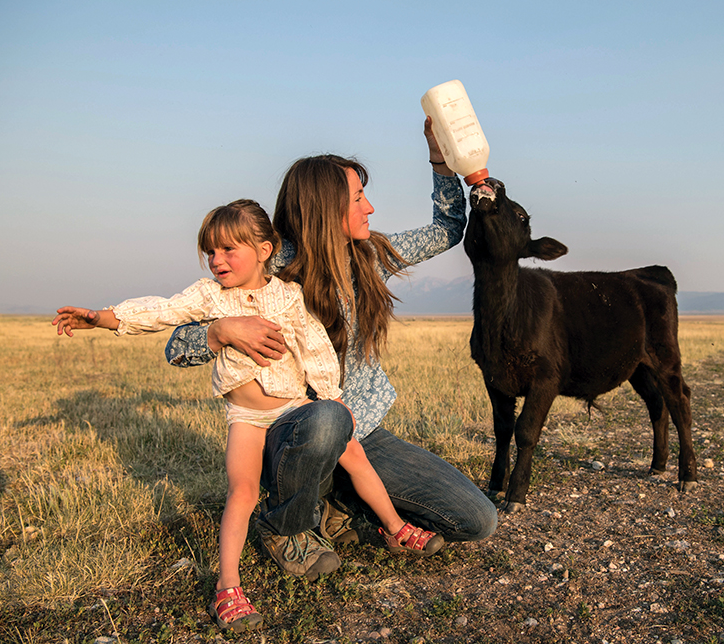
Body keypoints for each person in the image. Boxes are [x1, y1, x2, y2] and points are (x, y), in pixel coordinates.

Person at [53, 199, 443, 634]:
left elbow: (314, 349)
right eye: (210, 252)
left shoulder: (288, 295)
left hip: (295, 405)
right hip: (247, 418)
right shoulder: (209, 296)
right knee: (241, 492)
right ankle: (228, 587)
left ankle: (394, 527)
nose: (217, 261)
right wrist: (101, 318)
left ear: (264, 250)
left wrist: (333, 398)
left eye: (228, 250)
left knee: (355, 454)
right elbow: (161, 312)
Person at [164, 118, 498, 582]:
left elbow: (447, 229)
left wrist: (440, 158)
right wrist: (221, 330)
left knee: (477, 520)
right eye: (358, 198)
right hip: (290, 436)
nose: (370, 207)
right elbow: (176, 346)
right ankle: (285, 525)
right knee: (325, 419)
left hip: (363, 437)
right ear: (325, 208)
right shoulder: (269, 268)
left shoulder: (371, 255)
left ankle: (342, 505)